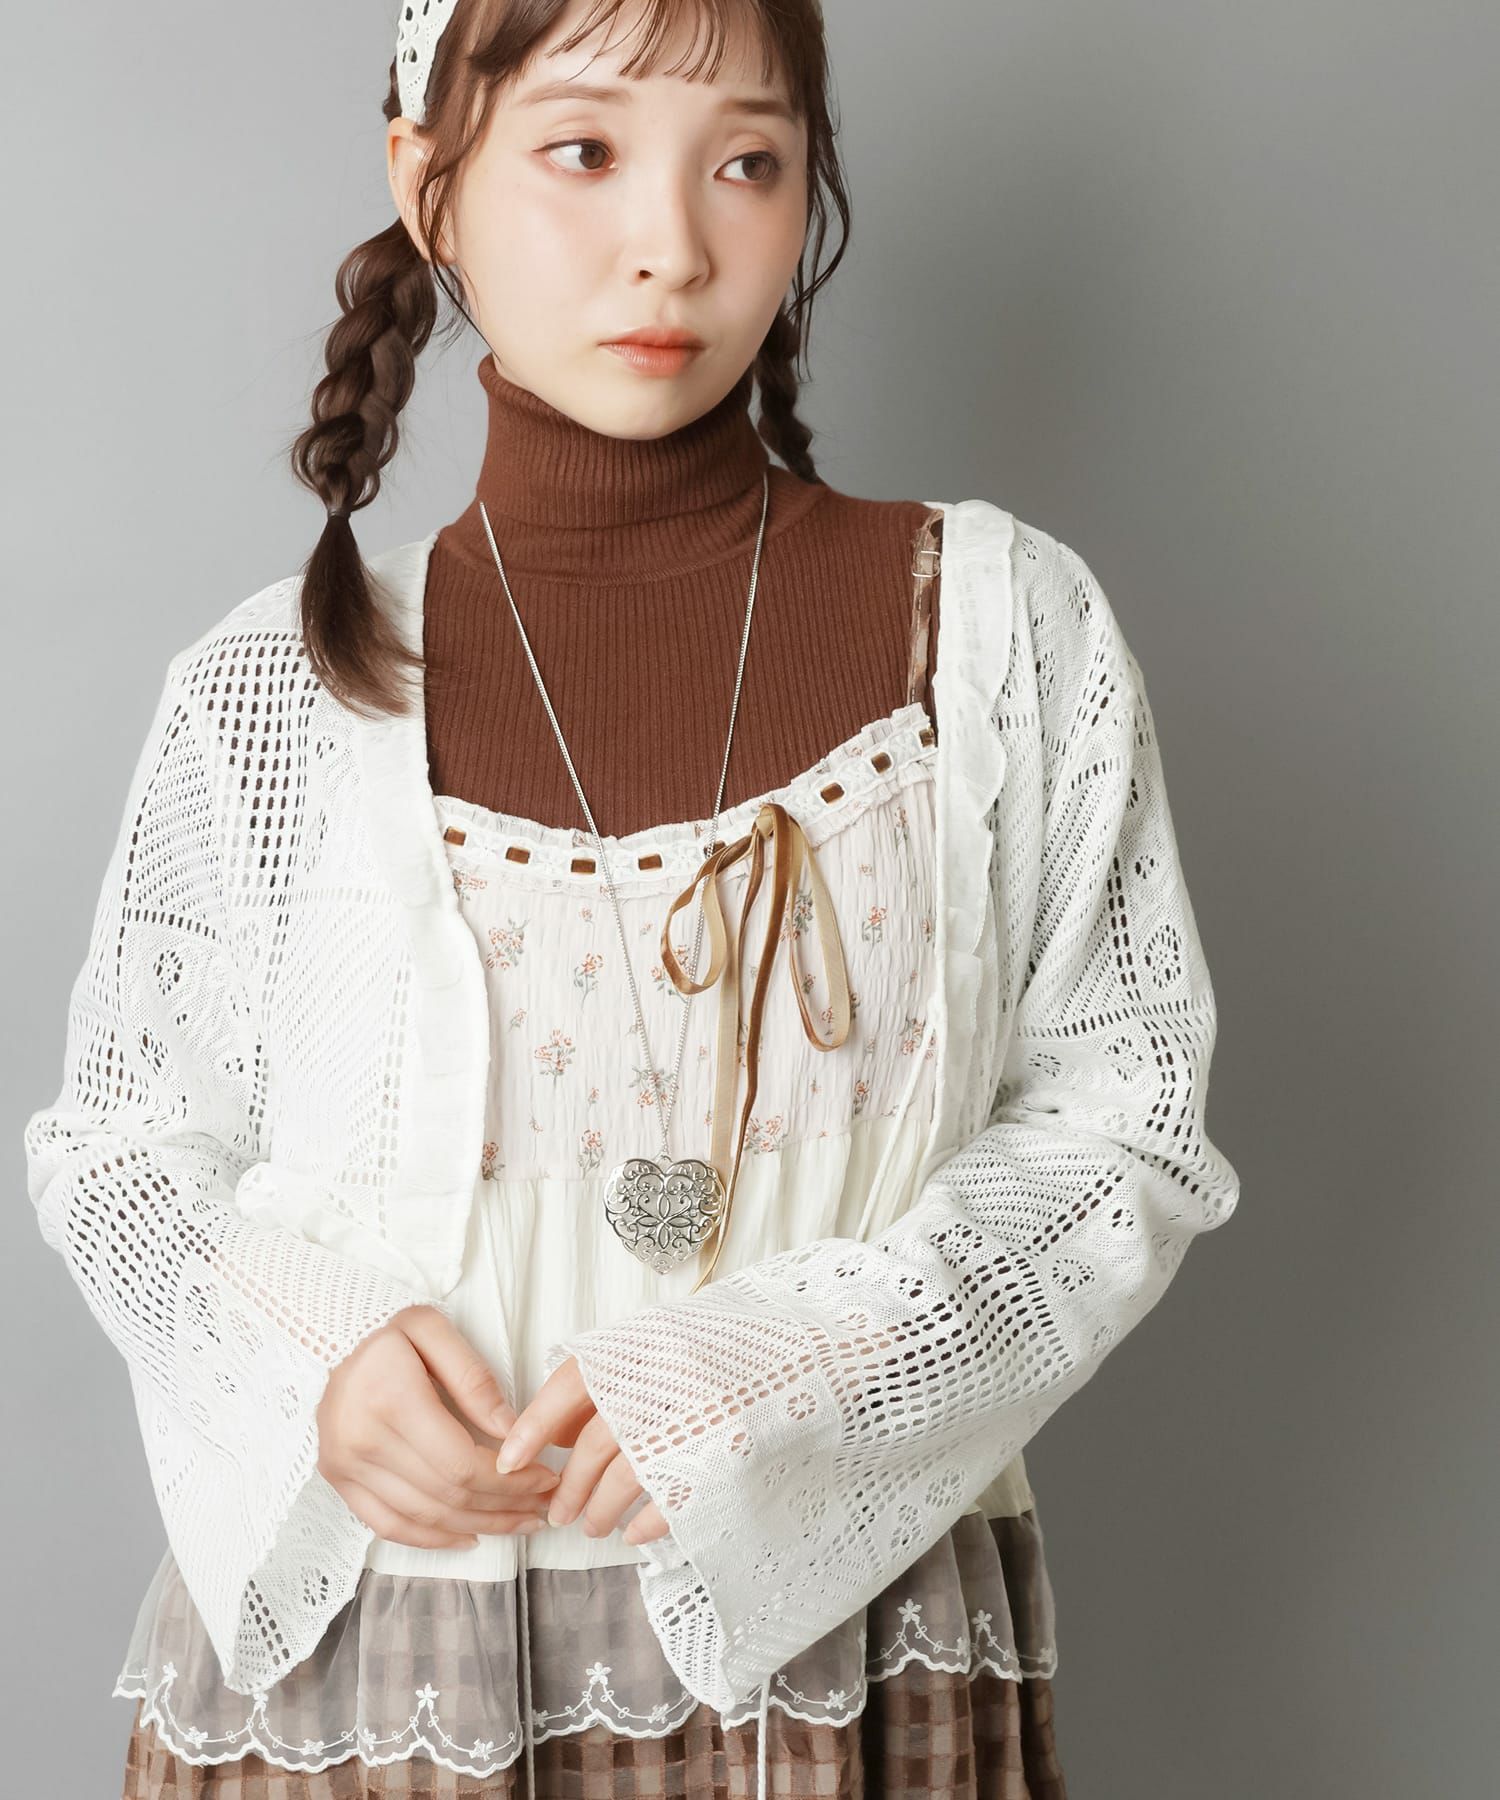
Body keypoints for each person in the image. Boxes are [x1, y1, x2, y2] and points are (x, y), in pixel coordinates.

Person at [24, 1, 1242, 1796]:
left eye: (746, 161)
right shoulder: (273, 695)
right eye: (582, 151)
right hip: (382, 1677)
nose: (670, 241)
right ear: (428, 180)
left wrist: (788, 1370)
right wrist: (315, 1363)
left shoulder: (997, 632)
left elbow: (1122, 1127)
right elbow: (124, 1151)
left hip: (842, 1656)